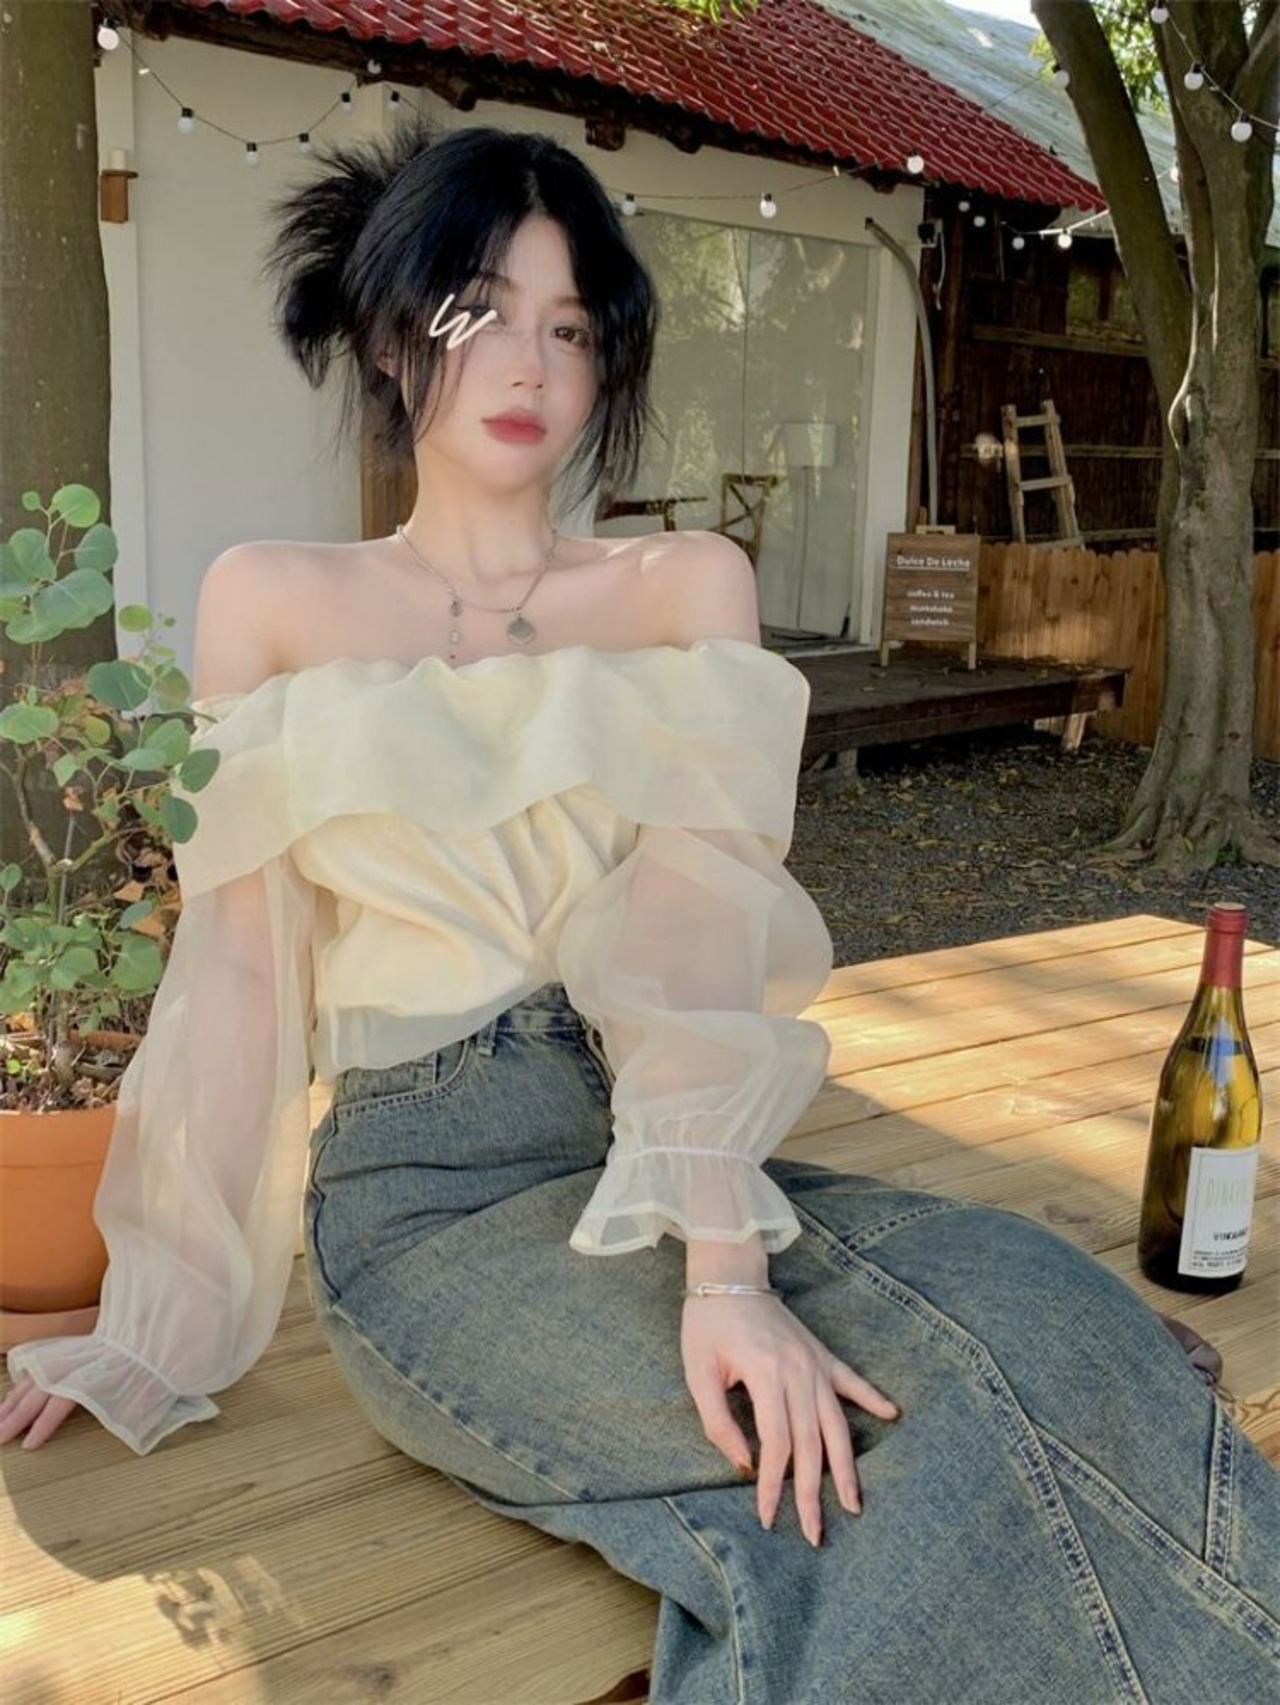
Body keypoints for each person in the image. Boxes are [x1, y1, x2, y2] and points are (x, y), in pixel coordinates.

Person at [2, 125, 1276, 1702]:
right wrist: (152, 1317)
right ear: (394, 334)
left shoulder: (684, 590)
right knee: (844, 1461)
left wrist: (726, 1270)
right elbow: (242, 980)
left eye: (572, 325)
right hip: (425, 1198)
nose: (530, 362)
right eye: (481, 309)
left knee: (1050, 1310)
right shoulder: (271, 599)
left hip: (655, 1151)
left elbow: (686, 955)